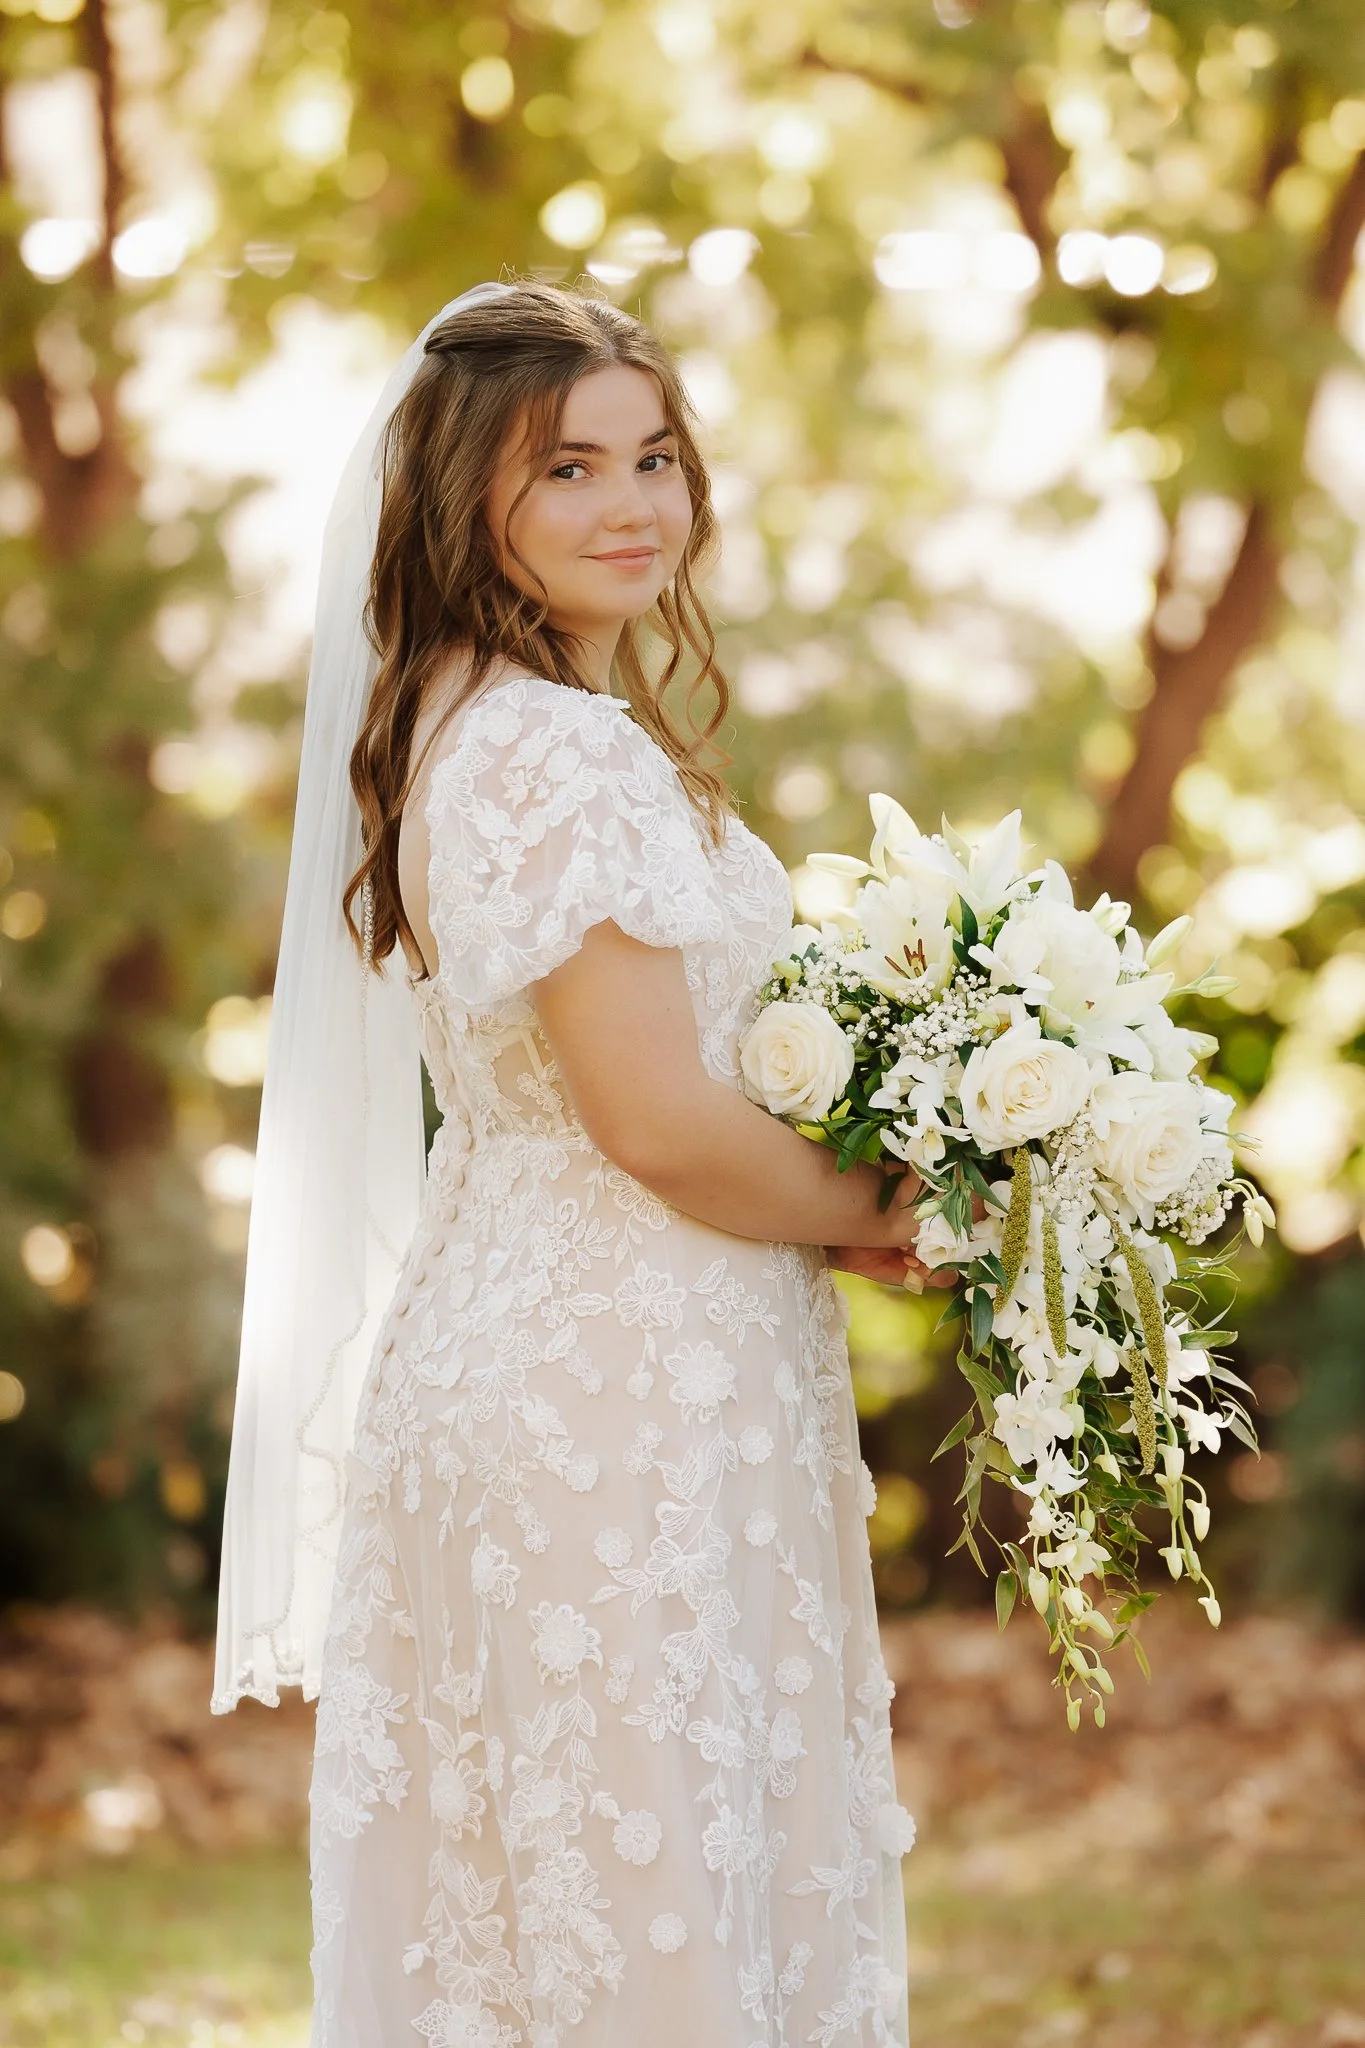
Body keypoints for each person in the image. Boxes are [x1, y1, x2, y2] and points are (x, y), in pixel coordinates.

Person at [215, 279, 938, 2048]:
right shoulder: (550, 750)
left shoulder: (460, 719)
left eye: (658, 458)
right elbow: (659, 1124)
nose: (633, 506)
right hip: (622, 1389)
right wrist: (907, 1212)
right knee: (652, 1893)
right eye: (569, 472)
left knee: (542, 1909)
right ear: (472, 498)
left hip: (530, 1354)